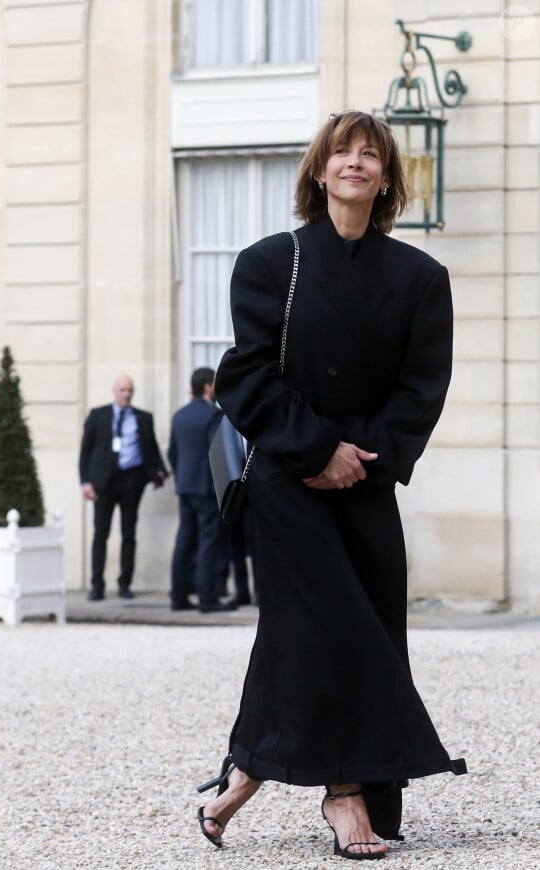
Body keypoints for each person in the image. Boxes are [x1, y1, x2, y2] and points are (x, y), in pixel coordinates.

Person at [196, 111, 467, 860]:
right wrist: (316, 449)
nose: (356, 162)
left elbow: (422, 390)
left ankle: (248, 772)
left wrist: (360, 457)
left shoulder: (421, 278)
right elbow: (245, 376)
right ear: (320, 172)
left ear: (386, 179)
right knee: (329, 626)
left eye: (371, 155)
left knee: (362, 629)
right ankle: (345, 798)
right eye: (342, 151)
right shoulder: (265, 262)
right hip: (287, 480)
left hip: (369, 480)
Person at [79, 374, 168, 601]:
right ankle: (97, 584)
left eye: (130, 390)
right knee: (101, 534)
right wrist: (85, 482)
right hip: (103, 484)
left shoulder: (143, 418)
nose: (127, 394)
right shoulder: (99, 416)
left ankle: (125, 584)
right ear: (114, 391)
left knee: (129, 534)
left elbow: (152, 449)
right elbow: (85, 451)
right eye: (123, 390)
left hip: (131, 481)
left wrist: (158, 473)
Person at [168, 367, 238, 613]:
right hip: (206, 489)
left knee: (184, 541)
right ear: (208, 387)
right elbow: (215, 453)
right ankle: (207, 598)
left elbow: (172, 454)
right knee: (209, 542)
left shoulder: (179, 415)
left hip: (185, 486)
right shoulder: (213, 416)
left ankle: (178, 597)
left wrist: (181, 478)